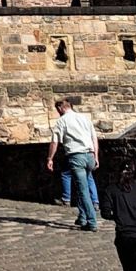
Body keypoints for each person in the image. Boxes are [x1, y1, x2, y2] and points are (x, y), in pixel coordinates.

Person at [46, 98, 99, 230]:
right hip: (90, 155)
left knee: (82, 190)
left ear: (60, 108)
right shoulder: (84, 118)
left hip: (76, 156)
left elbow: (55, 142)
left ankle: (92, 221)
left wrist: (50, 158)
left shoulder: (62, 121)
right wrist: (96, 156)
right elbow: (94, 138)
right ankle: (82, 217)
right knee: (83, 185)